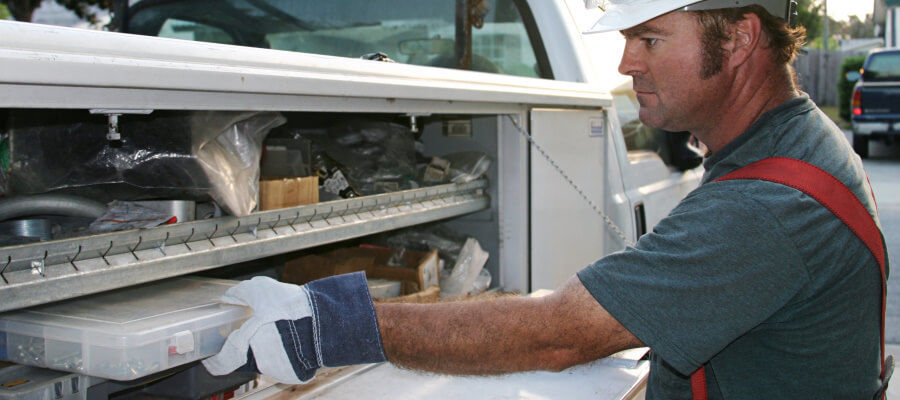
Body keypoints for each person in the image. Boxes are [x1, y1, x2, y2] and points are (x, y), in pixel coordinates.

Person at [203, 0, 889, 398]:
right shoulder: (792, 142)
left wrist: (329, 324)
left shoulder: (766, 206)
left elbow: (564, 331)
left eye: (649, 38)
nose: (626, 63)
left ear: (740, 37)